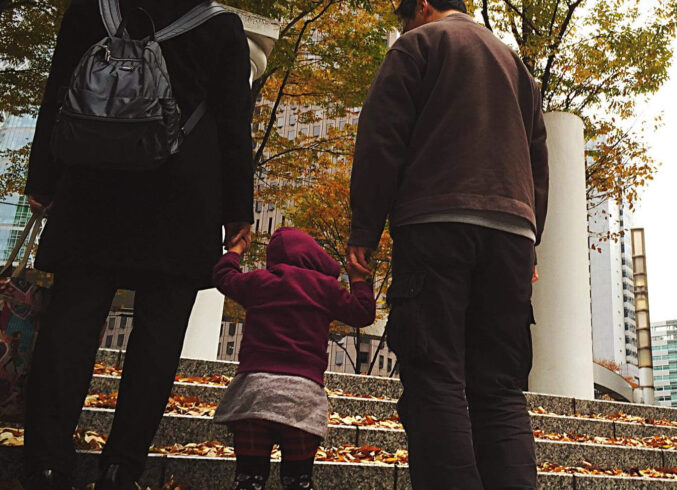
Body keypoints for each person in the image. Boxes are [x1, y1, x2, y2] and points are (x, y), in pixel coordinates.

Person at [21, 1, 254, 488]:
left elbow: (58, 90)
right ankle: (120, 466)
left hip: (92, 187)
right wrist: (237, 211)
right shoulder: (219, 26)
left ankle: (47, 461)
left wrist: (42, 175)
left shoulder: (91, 10)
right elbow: (234, 123)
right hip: (181, 197)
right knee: (158, 337)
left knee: (70, 322)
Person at [346, 0, 549, 486]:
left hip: (435, 221)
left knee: (434, 376)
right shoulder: (514, 62)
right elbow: (538, 158)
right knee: (500, 389)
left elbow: (381, 139)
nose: (404, 26)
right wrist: (531, 241)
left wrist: (365, 231)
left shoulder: (417, 45)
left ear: (423, 5)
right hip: (512, 233)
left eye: (404, 16)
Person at [211, 227, 377, 489]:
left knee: (248, 480)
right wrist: (358, 279)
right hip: (302, 396)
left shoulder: (259, 281)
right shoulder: (325, 288)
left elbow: (224, 277)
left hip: (254, 393)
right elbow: (363, 313)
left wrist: (235, 250)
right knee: (298, 481)